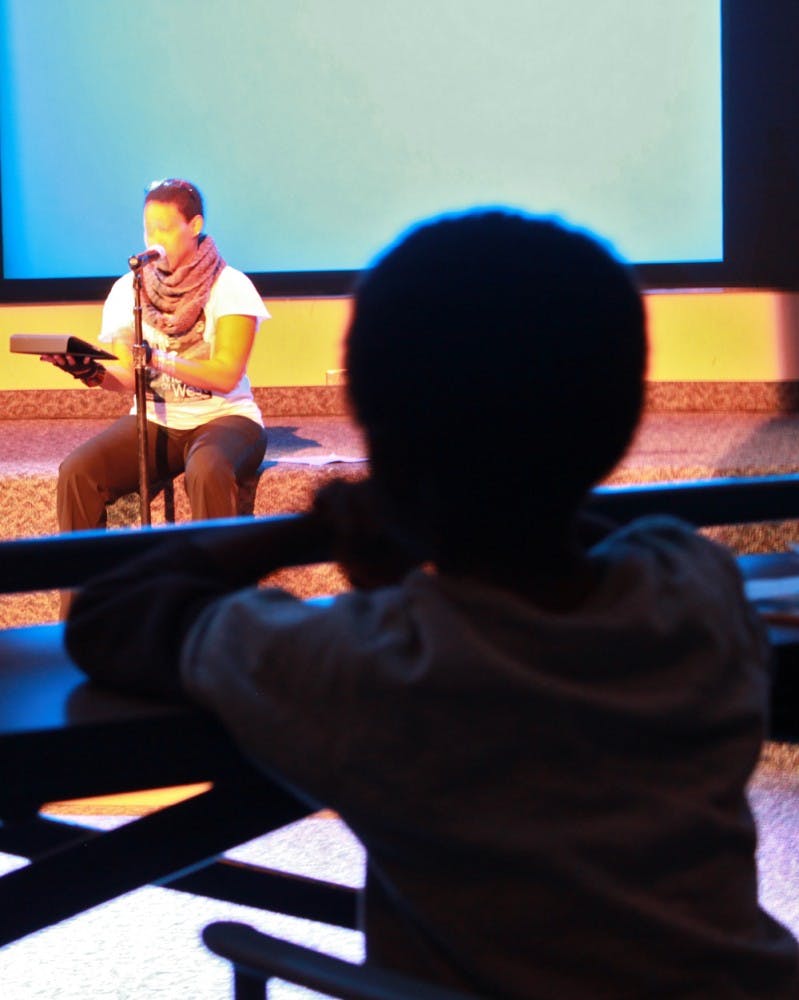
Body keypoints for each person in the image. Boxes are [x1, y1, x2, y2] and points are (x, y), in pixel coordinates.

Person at [65, 209, 799, 998]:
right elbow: (573, 545)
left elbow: (109, 615)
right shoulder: (693, 588)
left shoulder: (364, 666)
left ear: (376, 429)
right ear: (619, 427)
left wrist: (311, 531)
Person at [45, 178, 269, 536]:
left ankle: (212, 573)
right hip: (155, 422)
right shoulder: (128, 290)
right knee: (77, 472)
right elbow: (129, 378)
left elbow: (226, 375)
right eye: (148, 229)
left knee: (207, 468)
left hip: (227, 418)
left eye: (164, 229)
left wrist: (157, 359)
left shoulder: (230, 285)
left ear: (195, 226)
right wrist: (88, 372)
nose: (154, 240)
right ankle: (85, 575)